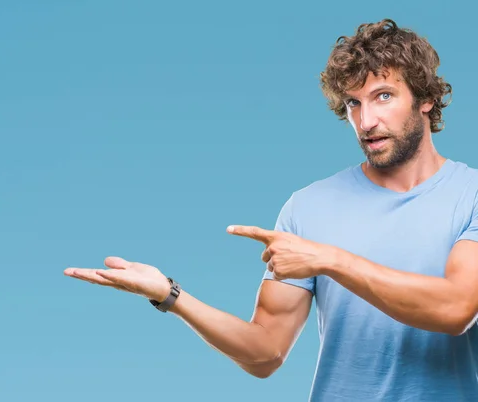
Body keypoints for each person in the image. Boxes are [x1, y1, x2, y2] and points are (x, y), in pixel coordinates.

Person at [64, 19, 478, 401]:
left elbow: (456, 309)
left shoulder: (470, 193)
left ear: (425, 99)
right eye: (353, 104)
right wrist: (171, 296)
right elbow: (265, 353)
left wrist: (330, 259)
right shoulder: (310, 207)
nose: (366, 120)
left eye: (382, 96)